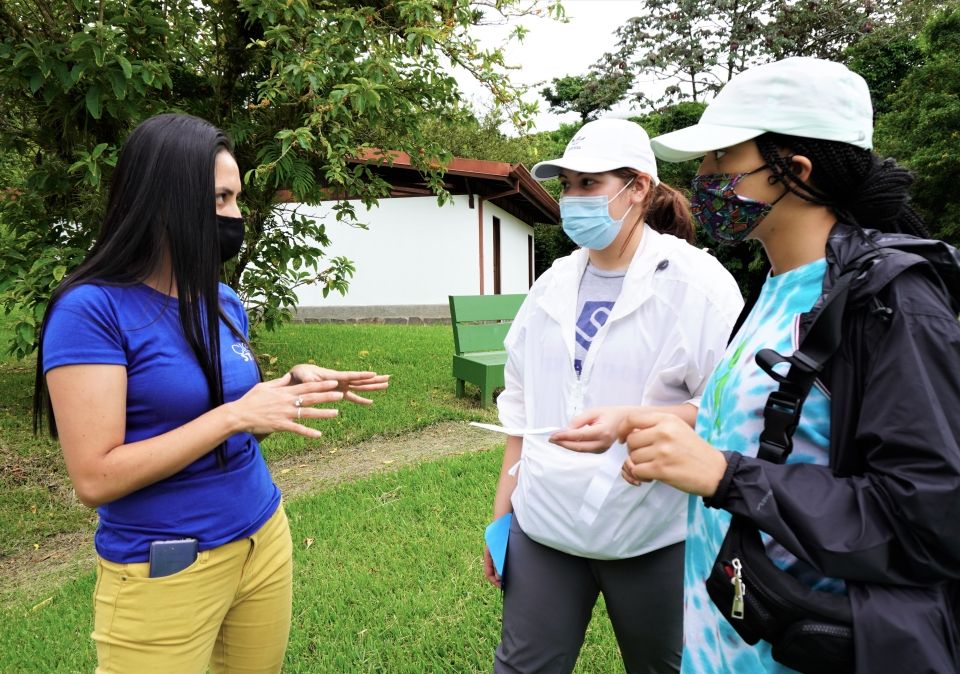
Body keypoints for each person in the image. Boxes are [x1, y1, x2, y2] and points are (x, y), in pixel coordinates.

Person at [609, 57, 960, 673]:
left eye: (721, 159)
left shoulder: (893, 301)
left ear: (794, 171)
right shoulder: (776, 288)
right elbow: (777, 433)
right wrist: (670, 428)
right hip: (725, 645)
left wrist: (723, 475)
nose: (703, 178)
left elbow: (930, 520)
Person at [33, 113, 389, 673]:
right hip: (166, 566)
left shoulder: (220, 299)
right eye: (221, 198)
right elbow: (95, 477)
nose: (235, 216)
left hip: (262, 539)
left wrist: (287, 389)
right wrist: (233, 416)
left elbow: (223, 411)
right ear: (166, 197)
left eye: (236, 199)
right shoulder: (90, 311)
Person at [484, 117, 744, 673]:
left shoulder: (698, 285)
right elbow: (523, 410)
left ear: (639, 188)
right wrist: (502, 516)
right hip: (545, 524)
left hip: (652, 530)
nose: (572, 199)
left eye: (588, 184)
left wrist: (633, 422)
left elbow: (728, 410)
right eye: (567, 185)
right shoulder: (550, 283)